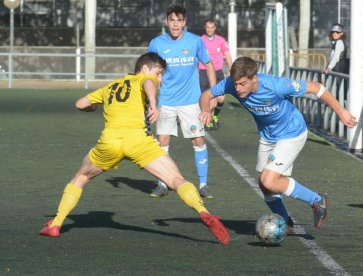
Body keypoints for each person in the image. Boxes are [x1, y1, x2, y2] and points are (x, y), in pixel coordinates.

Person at [39, 52, 230, 245]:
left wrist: (94, 107)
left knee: (81, 177)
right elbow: (149, 83)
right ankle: (204, 212)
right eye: (159, 73)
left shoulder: (110, 86)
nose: (160, 78)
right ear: (145, 68)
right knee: (176, 179)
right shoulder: (146, 78)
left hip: (110, 142)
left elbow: (80, 103)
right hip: (139, 141)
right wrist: (154, 103)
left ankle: (56, 223)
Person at [199, 57, 357, 229]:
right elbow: (206, 95)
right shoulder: (231, 84)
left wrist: (342, 112)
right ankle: (284, 220)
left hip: (292, 132)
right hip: (268, 137)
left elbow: (317, 88)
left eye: (242, 84)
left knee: (269, 180)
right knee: (264, 184)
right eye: (235, 84)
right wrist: (206, 110)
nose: (237, 89)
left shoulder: (277, 85)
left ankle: (317, 200)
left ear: (254, 79)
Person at [148, 5, 216, 199]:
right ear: (166, 22)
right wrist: (150, 99)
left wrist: (213, 93)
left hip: (191, 101)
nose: (175, 25)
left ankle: (203, 184)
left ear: (184, 22)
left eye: (179, 21)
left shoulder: (195, 41)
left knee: (198, 140)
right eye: (172, 20)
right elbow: (149, 72)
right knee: (162, 141)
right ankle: (162, 183)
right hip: (167, 100)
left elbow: (209, 65)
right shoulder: (156, 44)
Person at [199, 19, 233, 130]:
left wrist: (231, 68)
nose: (210, 29)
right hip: (204, 71)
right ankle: (207, 121)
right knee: (207, 97)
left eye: (212, 27)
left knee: (221, 98)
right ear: (205, 27)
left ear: (215, 28)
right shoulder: (200, 40)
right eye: (207, 27)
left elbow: (227, 55)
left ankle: (215, 115)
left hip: (218, 71)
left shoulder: (221, 40)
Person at [324, 23, 349, 101]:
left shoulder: (339, 43)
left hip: (339, 69)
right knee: (337, 92)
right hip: (337, 70)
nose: (335, 34)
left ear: (341, 33)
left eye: (337, 32)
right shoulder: (336, 43)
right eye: (333, 32)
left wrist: (329, 68)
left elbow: (336, 58)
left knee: (339, 92)